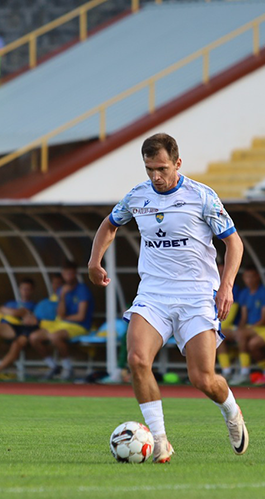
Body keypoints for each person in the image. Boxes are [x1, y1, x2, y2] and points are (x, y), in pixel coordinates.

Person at [87, 133, 248, 462]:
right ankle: (159, 440)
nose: (156, 176)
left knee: (202, 378)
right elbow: (110, 225)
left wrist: (227, 286)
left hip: (196, 295)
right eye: (150, 169)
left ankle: (231, 411)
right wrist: (94, 261)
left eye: (162, 168)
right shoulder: (138, 196)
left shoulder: (201, 196)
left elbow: (234, 242)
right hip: (154, 294)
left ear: (177, 163)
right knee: (137, 360)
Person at [29, 262, 93, 381]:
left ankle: (68, 367)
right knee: (34, 337)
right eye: (65, 273)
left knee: (54, 337)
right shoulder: (61, 290)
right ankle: (53, 366)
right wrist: (62, 295)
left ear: (76, 274)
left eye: (70, 273)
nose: (68, 276)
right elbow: (60, 314)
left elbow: (80, 317)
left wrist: (65, 318)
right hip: (61, 324)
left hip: (79, 326)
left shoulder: (82, 290)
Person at [231, 267, 265, 384]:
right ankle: (227, 370)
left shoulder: (264, 292)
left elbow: (264, 320)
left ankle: (245, 372)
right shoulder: (244, 293)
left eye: (252, 277)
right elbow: (244, 317)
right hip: (249, 329)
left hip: (264, 329)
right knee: (220, 334)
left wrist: (245, 330)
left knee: (245, 338)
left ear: (258, 277)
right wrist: (240, 328)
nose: (249, 280)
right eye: (247, 277)